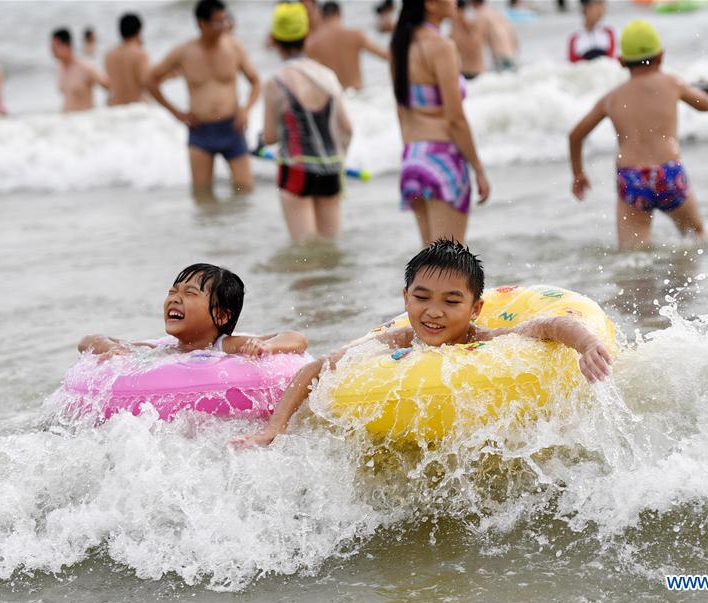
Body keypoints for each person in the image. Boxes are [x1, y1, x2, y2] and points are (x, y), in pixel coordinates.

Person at [231, 239, 613, 448]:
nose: (433, 312)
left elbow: (550, 324)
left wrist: (588, 345)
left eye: (451, 301)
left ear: (477, 308)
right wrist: (274, 427)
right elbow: (316, 368)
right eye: (422, 297)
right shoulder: (400, 339)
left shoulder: (486, 339)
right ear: (405, 297)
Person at [568, 20, 708, 250]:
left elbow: (575, 135)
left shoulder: (611, 98)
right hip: (668, 173)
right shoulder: (672, 83)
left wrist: (578, 174)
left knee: (633, 254)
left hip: (632, 178)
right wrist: (696, 89)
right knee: (696, 237)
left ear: (622, 62)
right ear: (661, 56)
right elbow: (705, 106)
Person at [391, 0, 490, 245]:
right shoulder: (441, 46)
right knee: (449, 263)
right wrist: (478, 168)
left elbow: (402, 112)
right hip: (443, 159)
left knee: (429, 261)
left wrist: (411, 154)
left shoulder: (400, 45)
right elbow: (455, 119)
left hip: (413, 158)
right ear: (431, 4)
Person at [148, 0, 261, 198]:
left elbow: (256, 81)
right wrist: (177, 113)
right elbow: (151, 80)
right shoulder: (184, 52)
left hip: (232, 128)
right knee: (202, 197)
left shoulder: (234, 46)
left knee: (245, 193)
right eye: (218, 22)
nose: (224, 26)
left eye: (226, 21)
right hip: (200, 131)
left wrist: (245, 110)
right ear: (201, 24)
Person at [262, 2, 353, 242]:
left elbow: (271, 136)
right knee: (330, 247)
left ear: (274, 38)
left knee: (303, 251)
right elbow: (347, 127)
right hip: (331, 169)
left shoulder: (275, 81)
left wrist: (260, 140)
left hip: (297, 169)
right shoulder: (327, 76)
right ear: (306, 34)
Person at [78, 263, 308, 358]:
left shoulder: (224, 346)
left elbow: (296, 338)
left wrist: (266, 345)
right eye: (172, 292)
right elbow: (88, 341)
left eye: (189, 294)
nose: (175, 299)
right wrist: (113, 349)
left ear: (221, 315)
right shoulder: (164, 349)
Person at [305, 1, 390, 90]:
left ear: (322, 16)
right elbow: (386, 55)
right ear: (340, 13)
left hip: (334, 96)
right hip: (358, 95)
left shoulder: (313, 43)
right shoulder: (355, 35)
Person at [51, 28, 109, 112]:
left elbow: (110, 86)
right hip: (66, 122)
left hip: (84, 121)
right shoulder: (60, 69)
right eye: (52, 46)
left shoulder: (85, 67)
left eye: (55, 46)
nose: (53, 50)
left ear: (67, 45)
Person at [105, 13, 150, 106]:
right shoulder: (140, 54)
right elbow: (147, 82)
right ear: (139, 31)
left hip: (115, 108)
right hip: (136, 108)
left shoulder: (109, 55)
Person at [471, 0, 518, 71]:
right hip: (511, 52)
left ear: (472, 2)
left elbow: (478, 40)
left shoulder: (480, 15)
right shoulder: (494, 12)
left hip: (500, 55)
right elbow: (510, 30)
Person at [451, 0, 486, 80]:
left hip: (476, 73)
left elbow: (472, 47)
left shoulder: (473, 25)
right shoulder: (454, 27)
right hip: (464, 72)